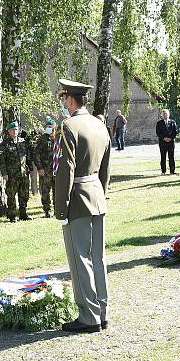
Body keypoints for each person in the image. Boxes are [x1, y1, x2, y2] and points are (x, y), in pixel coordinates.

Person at [53, 78, 111, 333]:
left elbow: (64, 170)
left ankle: (89, 316)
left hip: (77, 197)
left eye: (64, 98)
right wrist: (101, 192)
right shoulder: (99, 125)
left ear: (70, 99)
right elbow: (106, 168)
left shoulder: (68, 126)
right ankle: (102, 311)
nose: (64, 103)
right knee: (97, 257)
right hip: (96, 194)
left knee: (80, 259)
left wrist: (61, 208)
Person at [0, 121, 34, 222]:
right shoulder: (5, 144)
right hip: (11, 175)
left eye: (16, 129)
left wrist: (30, 169)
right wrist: (4, 173)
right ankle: (12, 215)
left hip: (23, 173)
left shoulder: (23, 142)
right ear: (8, 131)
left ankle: (23, 214)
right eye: (12, 130)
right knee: (11, 195)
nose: (15, 131)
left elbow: (27, 157)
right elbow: (1, 160)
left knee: (24, 194)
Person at [33, 119, 57, 217]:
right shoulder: (42, 140)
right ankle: (47, 211)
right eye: (48, 127)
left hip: (56, 170)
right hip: (45, 170)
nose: (49, 129)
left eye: (51, 127)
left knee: (57, 191)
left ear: (55, 127)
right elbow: (36, 155)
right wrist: (39, 168)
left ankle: (57, 210)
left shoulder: (58, 139)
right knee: (45, 191)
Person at [156, 109, 178, 175]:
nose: (165, 115)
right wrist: (164, 138)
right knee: (163, 156)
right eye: (164, 114)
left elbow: (175, 132)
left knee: (171, 156)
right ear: (162, 115)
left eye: (166, 114)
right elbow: (158, 132)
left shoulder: (172, 122)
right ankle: (163, 171)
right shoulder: (159, 123)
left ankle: (172, 171)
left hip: (171, 142)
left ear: (169, 114)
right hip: (162, 142)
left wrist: (170, 138)